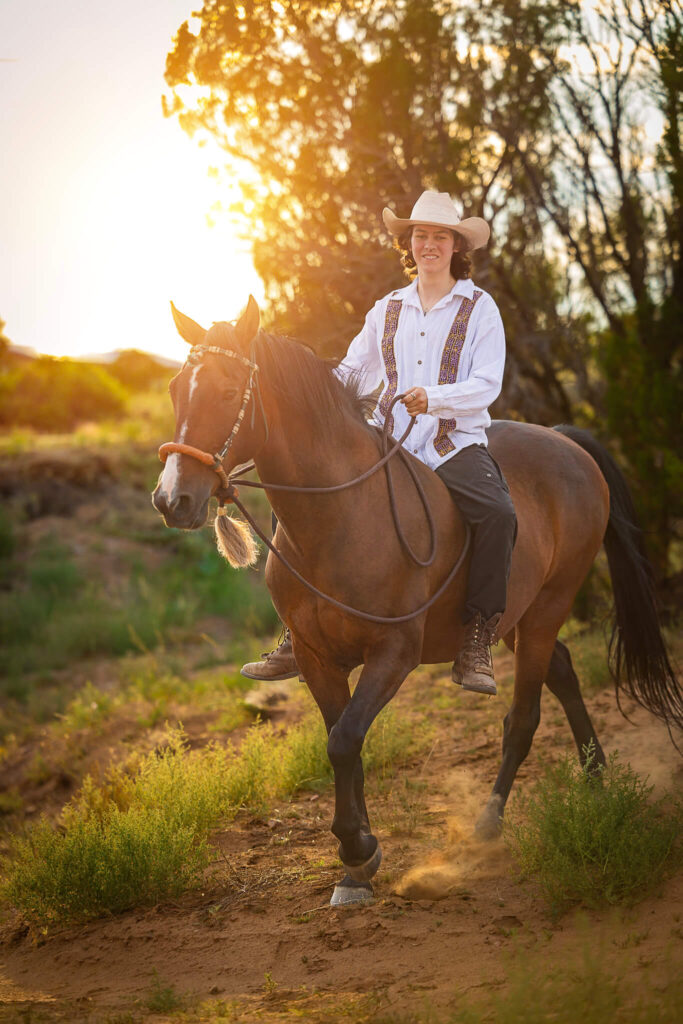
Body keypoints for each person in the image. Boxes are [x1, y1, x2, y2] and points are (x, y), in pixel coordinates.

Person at [241, 190, 517, 695]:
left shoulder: (481, 308)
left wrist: (431, 398)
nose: (429, 244)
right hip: (387, 445)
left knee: (499, 513)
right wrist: (312, 392)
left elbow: (487, 384)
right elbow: (352, 373)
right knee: (299, 496)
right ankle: (296, 631)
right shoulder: (386, 308)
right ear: (408, 244)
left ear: (456, 246)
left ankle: (477, 638)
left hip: (452, 445)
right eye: (420, 235)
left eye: (440, 236)